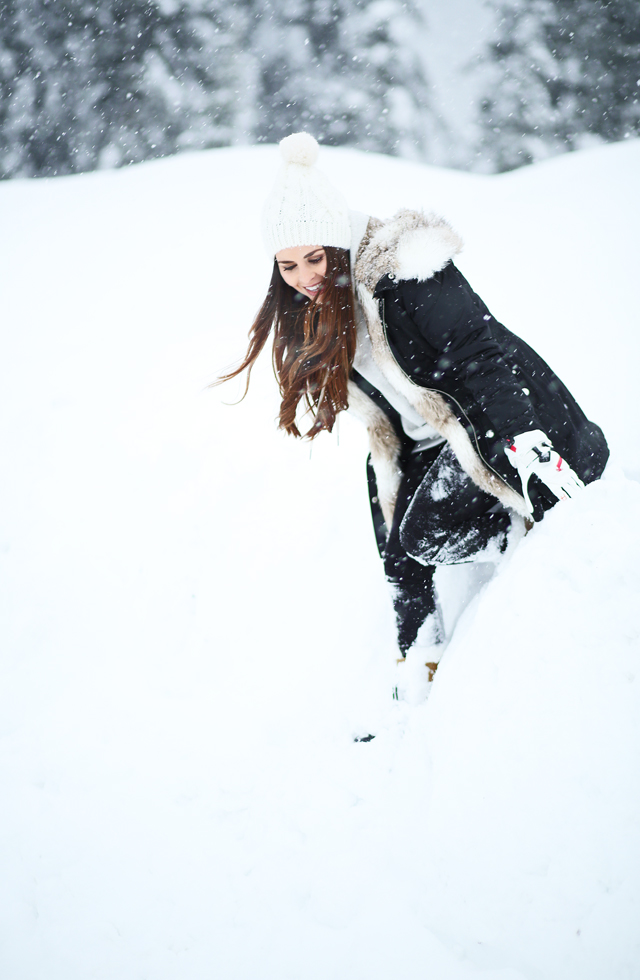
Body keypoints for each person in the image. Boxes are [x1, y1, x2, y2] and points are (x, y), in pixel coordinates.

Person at [217, 132, 609, 661]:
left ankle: (527, 542)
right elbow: (388, 419)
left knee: (423, 534)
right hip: (433, 440)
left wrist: (525, 440)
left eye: (314, 258)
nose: (305, 278)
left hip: (505, 414)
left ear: (338, 242)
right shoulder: (321, 312)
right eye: (288, 267)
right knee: (397, 540)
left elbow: (479, 354)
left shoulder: (403, 269)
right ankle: (418, 658)